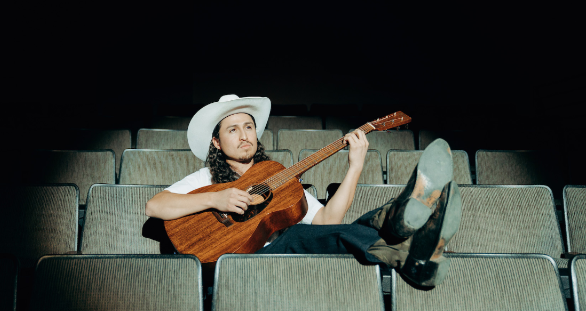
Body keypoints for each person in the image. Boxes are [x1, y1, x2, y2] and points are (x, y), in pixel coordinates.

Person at [146, 95, 461, 287]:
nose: (244, 136)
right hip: (233, 266)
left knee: (320, 233)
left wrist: (355, 167)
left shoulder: (274, 175)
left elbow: (327, 222)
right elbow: (155, 206)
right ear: (216, 142)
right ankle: (398, 235)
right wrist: (216, 197)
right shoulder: (205, 178)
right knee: (295, 235)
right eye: (233, 129)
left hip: (283, 259)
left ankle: (397, 225)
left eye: (249, 126)